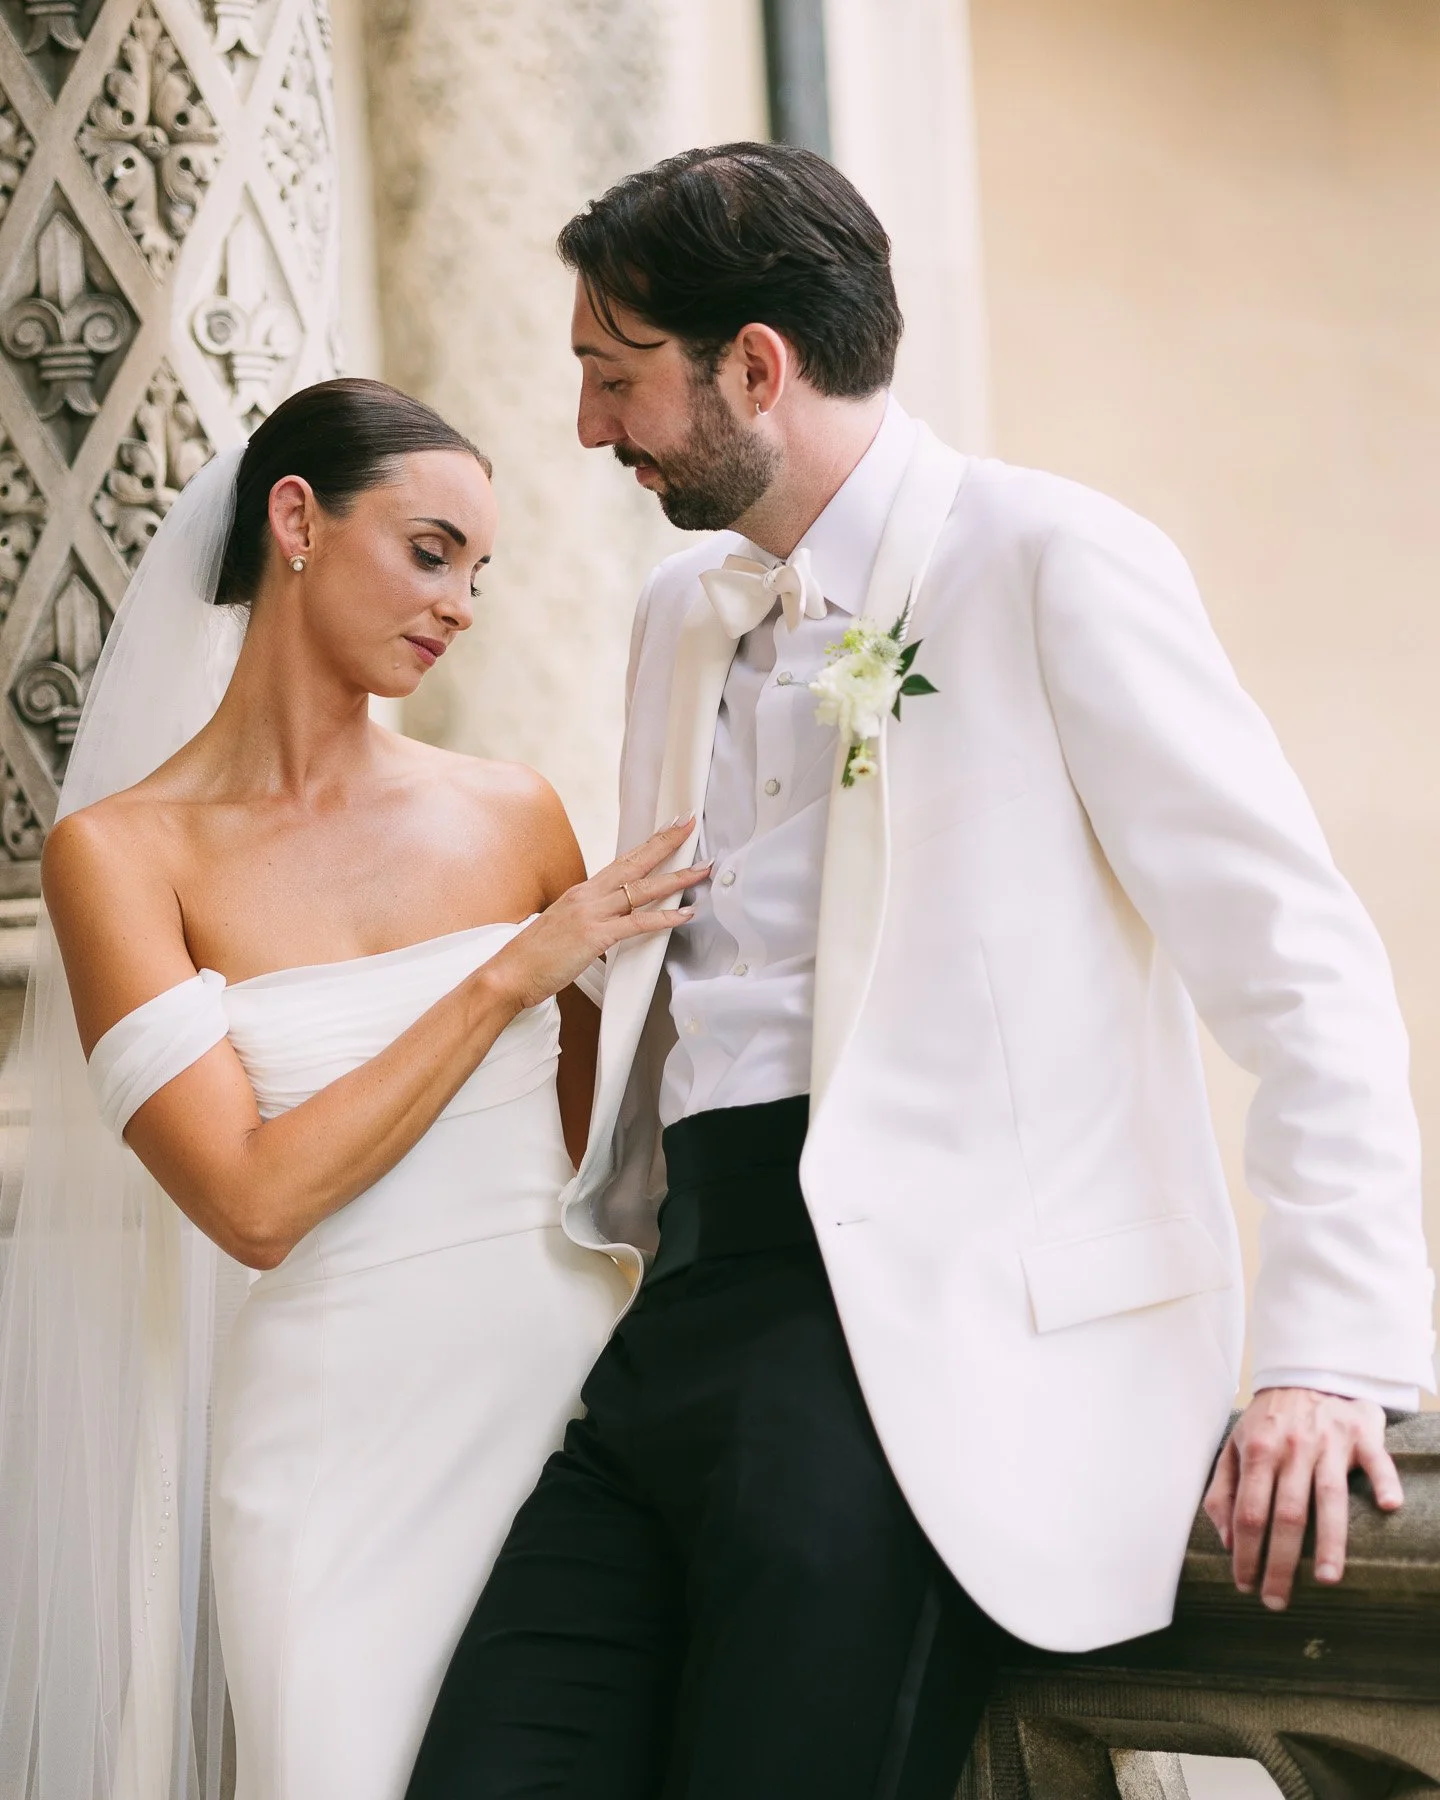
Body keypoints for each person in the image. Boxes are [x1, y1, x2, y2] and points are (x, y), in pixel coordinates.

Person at [409, 144, 1437, 1799]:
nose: (590, 428)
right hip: (681, 1309)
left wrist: (1329, 1355)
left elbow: (1301, 964)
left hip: (921, 1360)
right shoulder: (682, 611)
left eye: (615, 377)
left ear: (757, 364)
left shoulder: (1052, 558)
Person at [0, 377, 706, 1800]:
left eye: (480, 574)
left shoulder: (511, 811)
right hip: (329, 1441)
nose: (459, 602)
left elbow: (601, 1148)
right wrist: (510, 974)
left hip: (558, 1396)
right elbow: (251, 1203)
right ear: (298, 520)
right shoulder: (122, 856)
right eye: (431, 550)